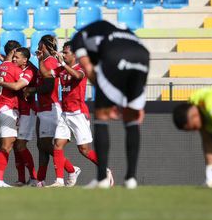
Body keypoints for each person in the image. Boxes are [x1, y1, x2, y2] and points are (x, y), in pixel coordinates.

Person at [71, 20, 149, 189]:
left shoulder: (84, 35)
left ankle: (102, 179)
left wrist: (89, 69)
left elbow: (81, 48)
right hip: (143, 56)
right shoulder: (128, 34)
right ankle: (131, 179)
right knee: (132, 118)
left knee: (101, 116)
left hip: (115, 55)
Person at [24, 35, 80, 187]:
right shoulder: (45, 61)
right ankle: (40, 180)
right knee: (41, 146)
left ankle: (71, 169)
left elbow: (49, 86)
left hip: (50, 107)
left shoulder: (50, 62)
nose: (37, 47)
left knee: (48, 145)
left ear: (43, 45)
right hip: (43, 107)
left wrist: (32, 90)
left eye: (39, 44)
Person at [48, 42, 100, 187]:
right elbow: (46, 74)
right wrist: (45, 57)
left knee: (84, 149)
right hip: (65, 114)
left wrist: (63, 64)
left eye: (66, 52)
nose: (63, 55)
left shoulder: (80, 68)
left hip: (78, 113)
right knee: (57, 145)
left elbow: (77, 76)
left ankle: (105, 170)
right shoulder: (62, 70)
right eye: (63, 52)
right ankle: (59, 180)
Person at [0, 46, 38, 186]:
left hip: (27, 111)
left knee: (20, 145)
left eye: (17, 57)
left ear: (25, 60)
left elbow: (18, 86)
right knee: (14, 144)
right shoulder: (13, 68)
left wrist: (0, 82)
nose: (14, 58)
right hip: (15, 110)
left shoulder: (29, 71)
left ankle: (35, 178)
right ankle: (21, 179)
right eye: (13, 56)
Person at [0, 41, 24, 187]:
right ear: (14, 51)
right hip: (7, 108)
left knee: (0, 146)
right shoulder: (14, 69)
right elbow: (21, 85)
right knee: (7, 146)